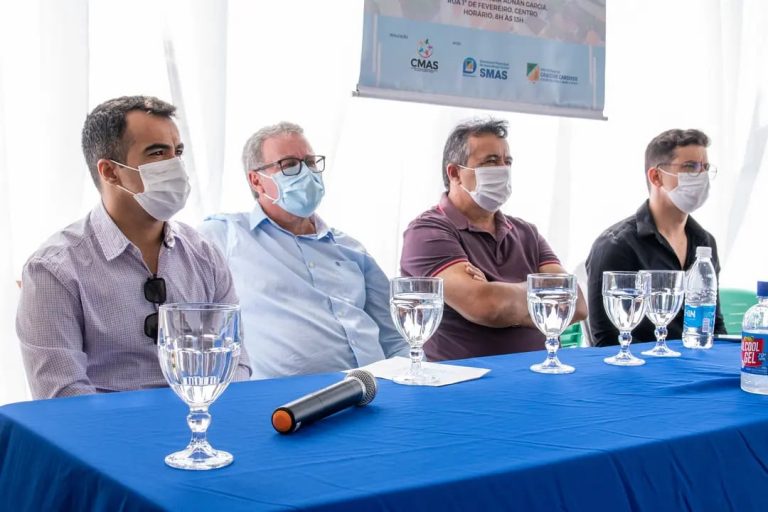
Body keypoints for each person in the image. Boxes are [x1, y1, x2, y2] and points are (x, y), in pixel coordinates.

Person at [16, 96, 251, 399]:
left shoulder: (204, 254)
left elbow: (236, 364)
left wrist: (202, 415)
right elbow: (63, 395)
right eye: (157, 153)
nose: (176, 165)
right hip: (107, 428)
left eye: (178, 152)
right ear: (110, 171)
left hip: (206, 420)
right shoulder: (53, 269)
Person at [198, 122, 409, 379]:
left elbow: (395, 337)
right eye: (289, 165)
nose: (306, 174)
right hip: (287, 396)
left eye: (310, 163)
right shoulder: (225, 235)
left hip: (373, 387)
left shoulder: (350, 248)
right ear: (256, 180)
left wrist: (409, 385)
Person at [399, 118, 587, 361]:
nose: (503, 169)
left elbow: (577, 304)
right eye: (491, 161)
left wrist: (495, 289)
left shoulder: (526, 232)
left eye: (507, 162)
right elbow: (486, 306)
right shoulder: (427, 232)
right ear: (455, 173)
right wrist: (543, 294)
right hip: (466, 377)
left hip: (543, 370)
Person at [586, 128, 726, 346]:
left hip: (698, 361)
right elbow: (607, 339)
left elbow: (714, 325)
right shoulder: (617, 245)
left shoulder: (705, 242)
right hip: (641, 363)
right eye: (691, 167)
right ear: (656, 176)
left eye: (705, 168)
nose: (701, 176)